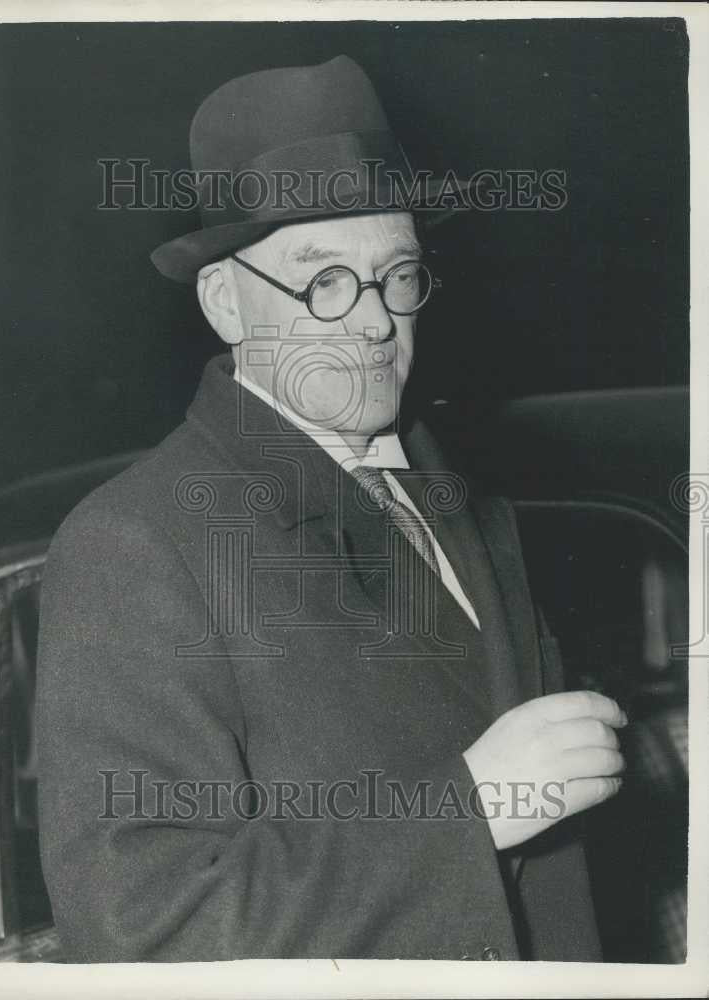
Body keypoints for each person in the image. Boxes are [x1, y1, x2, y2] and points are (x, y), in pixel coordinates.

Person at [36, 54, 626, 962]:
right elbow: (141, 931)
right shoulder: (138, 543)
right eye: (324, 283)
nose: (376, 322)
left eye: (397, 275)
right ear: (226, 302)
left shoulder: (468, 504)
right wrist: (469, 811)